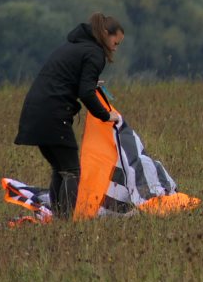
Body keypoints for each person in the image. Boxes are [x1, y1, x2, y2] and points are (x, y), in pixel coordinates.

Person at [14, 13, 124, 219]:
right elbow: (86, 92)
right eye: (115, 42)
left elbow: (73, 80)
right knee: (72, 171)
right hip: (53, 114)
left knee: (60, 167)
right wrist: (105, 115)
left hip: (35, 111)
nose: (115, 48)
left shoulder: (74, 46)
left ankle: (57, 218)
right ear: (105, 34)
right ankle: (66, 222)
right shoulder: (94, 53)